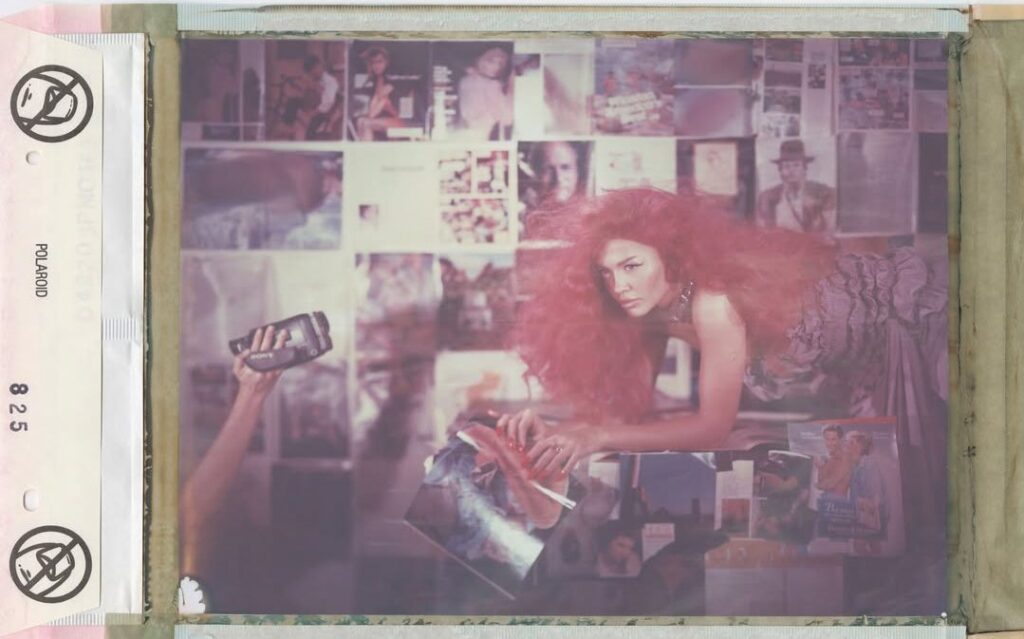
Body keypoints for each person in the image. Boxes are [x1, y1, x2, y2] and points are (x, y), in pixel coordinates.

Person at [496, 187, 947, 535]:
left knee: (920, 504)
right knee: (880, 510)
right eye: (607, 273)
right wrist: (555, 430)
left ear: (670, 258)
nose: (619, 285)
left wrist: (593, 435)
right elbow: (628, 415)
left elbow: (713, 427)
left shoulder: (713, 301)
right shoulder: (649, 313)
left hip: (919, 322)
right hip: (867, 364)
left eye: (631, 265)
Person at [755, 139, 837, 234]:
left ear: (804, 169)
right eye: (786, 166)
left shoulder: (824, 194)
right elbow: (763, 232)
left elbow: (830, 230)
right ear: (780, 171)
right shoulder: (767, 198)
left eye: (796, 165)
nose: (791, 170)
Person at [457, 45, 514, 140]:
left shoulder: (465, 80)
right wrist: (512, 85)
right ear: (478, 59)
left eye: (500, 63)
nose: (496, 67)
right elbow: (507, 118)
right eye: (491, 61)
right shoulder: (491, 85)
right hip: (478, 138)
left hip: (461, 135)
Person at [353, 46, 408, 141]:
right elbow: (374, 102)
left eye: (379, 62)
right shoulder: (376, 80)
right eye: (373, 62)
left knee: (366, 123)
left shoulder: (391, 79)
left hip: (402, 121)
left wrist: (369, 116)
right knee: (360, 121)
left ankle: (366, 150)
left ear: (386, 62)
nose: (376, 66)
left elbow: (381, 101)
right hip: (385, 119)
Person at [847, 430, 888, 554]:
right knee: (873, 545)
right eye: (847, 442)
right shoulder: (856, 465)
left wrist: (863, 505)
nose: (847, 446)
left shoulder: (869, 465)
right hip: (863, 513)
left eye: (851, 443)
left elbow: (876, 494)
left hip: (868, 513)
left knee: (861, 545)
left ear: (861, 446)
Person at [815, 424, 854, 497]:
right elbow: (821, 482)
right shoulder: (828, 458)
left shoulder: (845, 458)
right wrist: (820, 467)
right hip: (826, 499)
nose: (829, 443)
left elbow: (827, 485)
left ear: (840, 440)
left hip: (837, 501)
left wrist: (817, 485)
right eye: (827, 439)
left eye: (833, 439)